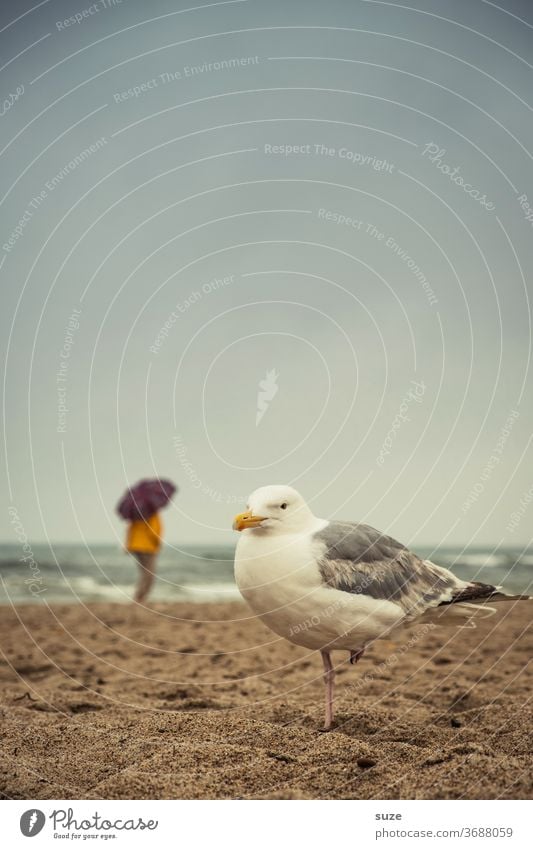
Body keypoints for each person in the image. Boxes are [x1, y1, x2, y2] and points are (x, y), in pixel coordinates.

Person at [126, 512, 162, 603]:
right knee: (149, 574)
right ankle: (140, 597)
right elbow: (154, 532)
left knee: (144, 573)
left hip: (136, 546)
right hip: (148, 547)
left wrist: (128, 545)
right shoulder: (152, 514)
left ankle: (139, 597)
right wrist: (158, 544)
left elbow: (130, 530)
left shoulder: (135, 514)